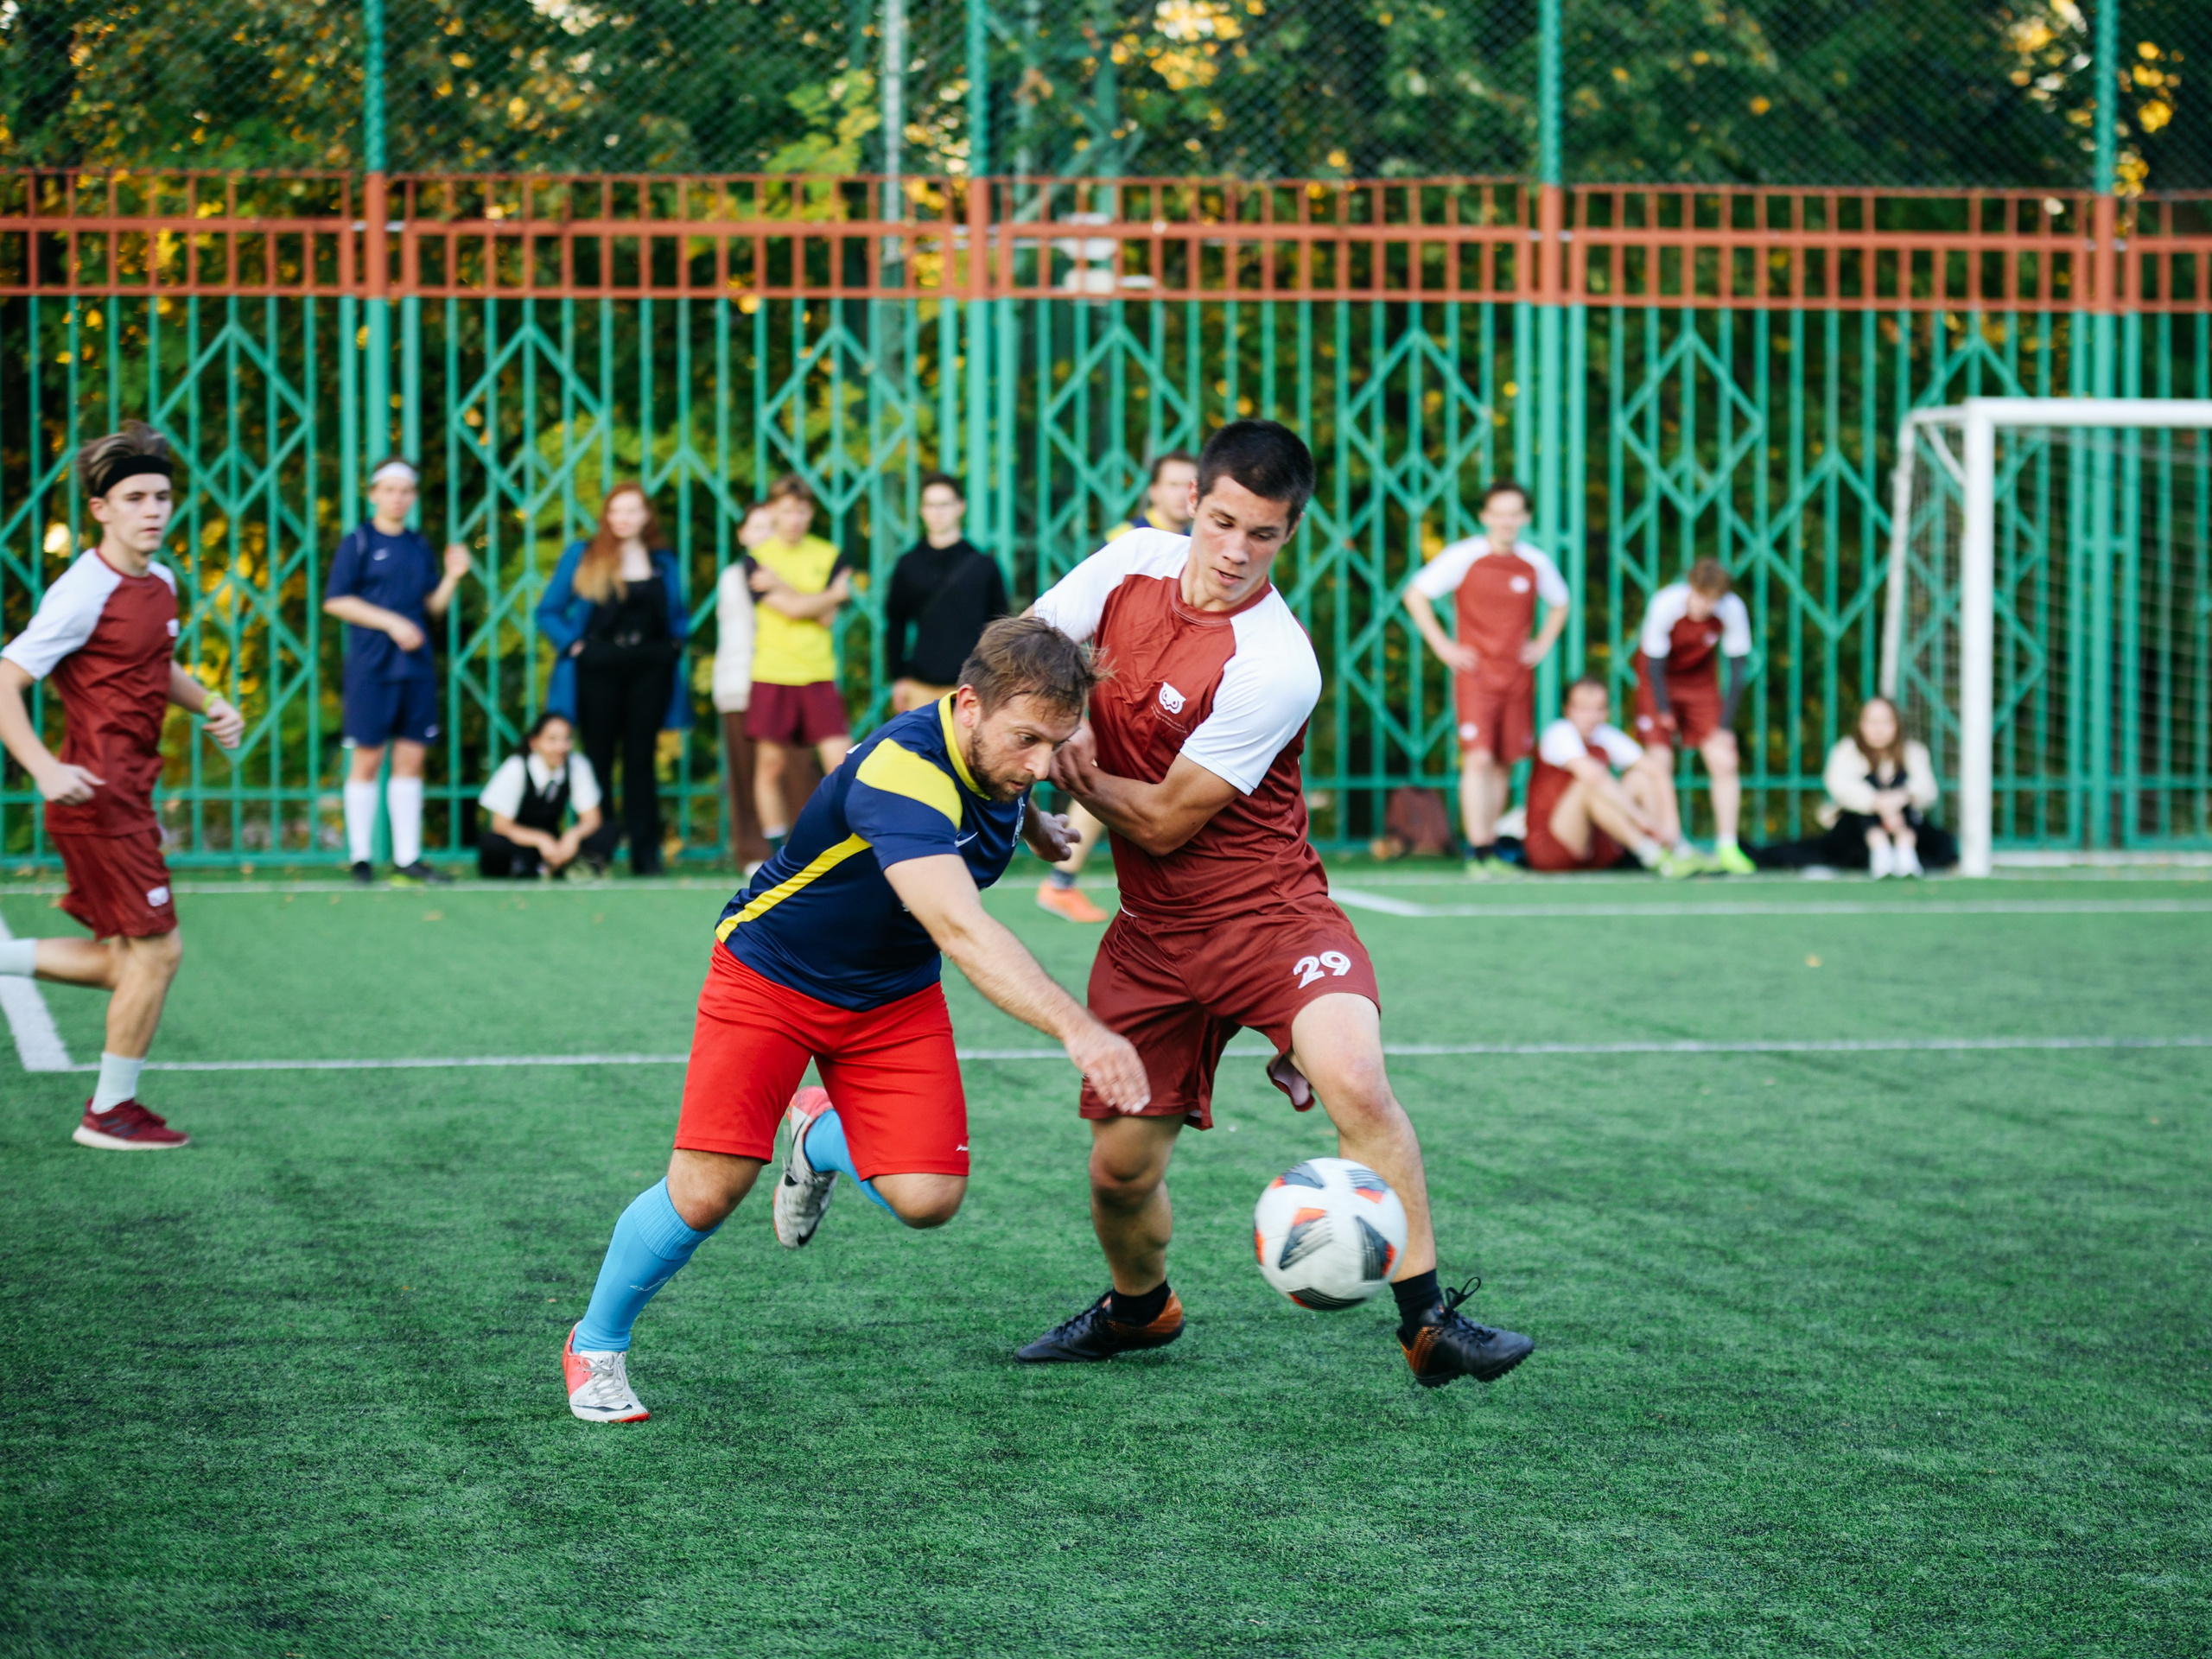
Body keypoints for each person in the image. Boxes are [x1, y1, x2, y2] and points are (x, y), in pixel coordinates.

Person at [1021, 418, 1533, 1389]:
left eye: (1262, 534)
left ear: (1290, 532)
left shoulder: (1278, 660)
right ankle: (1140, 1311)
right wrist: (1036, 739)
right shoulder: (1130, 563)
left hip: (1273, 916)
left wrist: (1069, 772)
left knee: (1358, 1082)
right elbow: (1026, 662)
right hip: (1151, 938)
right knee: (1119, 1173)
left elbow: (1164, 821)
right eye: (1221, 522)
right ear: (1192, 501)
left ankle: (1428, 1324)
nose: (1234, 551)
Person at [561, 617, 1151, 1423]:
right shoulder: (903, 772)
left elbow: (997, 794)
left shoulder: (1001, 764)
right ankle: (596, 1344)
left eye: (1058, 743)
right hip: (771, 976)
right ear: (968, 705)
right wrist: (1078, 1029)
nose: (1043, 766)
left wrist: (1036, 823)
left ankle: (817, 1139)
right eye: (1027, 742)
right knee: (707, 1192)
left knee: (928, 1197)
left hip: (890, 997)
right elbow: (960, 929)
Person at [0, 423, 246, 1149]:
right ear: (101, 509)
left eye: (162, 496)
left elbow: (152, 664)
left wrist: (210, 702)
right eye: (135, 497)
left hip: (129, 794)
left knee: (126, 961)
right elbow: (6, 679)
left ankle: (112, 1107)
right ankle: (109, 1113)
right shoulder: (83, 591)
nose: (153, 510)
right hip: (96, 799)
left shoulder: (159, 583)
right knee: (159, 954)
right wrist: (44, 767)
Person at [1038, 454, 1196, 925]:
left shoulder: (1202, 546)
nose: (1182, 494)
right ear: (1153, 491)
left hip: (1176, 684)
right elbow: (1089, 605)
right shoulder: (1128, 540)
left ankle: (1067, 880)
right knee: (1110, 773)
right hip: (1125, 681)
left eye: (1190, 485)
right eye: (1172, 484)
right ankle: (1060, 879)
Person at [1400, 480, 1571, 875]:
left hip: (1517, 678)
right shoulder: (1464, 556)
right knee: (1477, 758)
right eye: (1499, 513)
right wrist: (1444, 646)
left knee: (1503, 765)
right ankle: (1476, 851)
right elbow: (1415, 594)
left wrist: (1542, 643)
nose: (1507, 521)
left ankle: (1490, 847)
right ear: (1485, 516)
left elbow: (1560, 604)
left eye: (1514, 513)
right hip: (1476, 676)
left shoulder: (1535, 562)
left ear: (1525, 518)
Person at [323, 458, 471, 886]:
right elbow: (336, 600)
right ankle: (361, 857)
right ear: (374, 494)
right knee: (368, 757)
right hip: (371, 666)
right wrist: (390, 623)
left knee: (411, 758)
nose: (397, 498)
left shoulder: (418, 545)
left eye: (405, 491)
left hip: (416, 667)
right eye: (389, 490)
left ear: (413, 496)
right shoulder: (358, 542)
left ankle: (409, 858)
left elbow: (432, 607)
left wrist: (453, 577)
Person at [537, 484, 690, 876]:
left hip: (650, 668)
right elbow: (548, 611)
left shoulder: (662, 560)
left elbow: (678, 613)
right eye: (616, 511)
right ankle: (598, 851)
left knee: (641, 760)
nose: (623, 518)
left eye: (632, 510)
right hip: (598, 668)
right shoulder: (585, 555)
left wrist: (675, 643)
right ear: (606, 515)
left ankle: (646, 855)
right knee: (598, 759)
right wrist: (574, 646)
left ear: (646, 515)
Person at [746, 474, 855, 860]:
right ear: (772, 511)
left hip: (817, 672)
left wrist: (781, 586)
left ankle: (843, 847)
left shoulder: (829, 555)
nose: (794, 519)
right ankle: (775, 851)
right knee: (770, 766)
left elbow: (824, 618)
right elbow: (794, 610)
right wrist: (827, 596)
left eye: (802, 511)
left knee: (841, 765)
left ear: (811, 513)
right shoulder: (756, 558)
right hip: (772, 672)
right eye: (787, 510)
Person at [1631, 556, 1754, 874]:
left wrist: (1724, 727)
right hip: (1659, 681)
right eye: (1701, 597)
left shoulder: (1732, 610)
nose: (1705, 606)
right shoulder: (1665, 604)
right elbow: (1653, 664)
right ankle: (1671, 845)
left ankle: (1727, 846)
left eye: (1712, 600)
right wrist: (1663, 710)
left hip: (1699, 682)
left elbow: (1737, 669)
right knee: (1660, 762)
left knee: (1724, 760)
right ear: (1691, 588)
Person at [1752, 697, 1955, 875]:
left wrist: (1898, 799)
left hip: (1903, 824)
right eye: (1872, 722)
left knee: (1902, 787)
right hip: (1855, 833)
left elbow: (1927, 790)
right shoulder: (1846, 750)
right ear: (1861, 725)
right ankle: (1880, 847)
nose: (1878, 729)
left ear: (1897, 725)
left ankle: (1903, 847)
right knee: (1869, 788)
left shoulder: (1913, 752)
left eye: (1885, 722)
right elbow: (1840, 787)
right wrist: (1877, 803)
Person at [1524, 678, 1693, 876]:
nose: (1592, 717)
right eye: (1583, 709)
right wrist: (1641, 819)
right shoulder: (1559, 733)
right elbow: (1594, 777)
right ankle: (1651, 854)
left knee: (1640, 778)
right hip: (1554, 849)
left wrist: (1671, 826)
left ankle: (1673, 847)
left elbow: (1657, 771)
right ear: (1568, 710)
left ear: (1607, 711)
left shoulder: (1604, 735)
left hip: (1596, 847)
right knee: (1588, 783)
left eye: (1599, 709)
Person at [883, 473, 1008, 715]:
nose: (937, 512)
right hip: (919, 684)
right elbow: (896, 623)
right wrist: (898, 677)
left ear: (961, 507)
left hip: (971, 687)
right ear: (922, 510)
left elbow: (999, 626)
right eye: (930, 505)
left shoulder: (983, 566)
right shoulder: (908, 564)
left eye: (944, 504)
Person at [712, 502, 775, 870]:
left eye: (771, 526)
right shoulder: (733, 577)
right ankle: (752, 851)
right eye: (757, 527)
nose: (765, 534)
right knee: (745, 770)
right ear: (742, 534)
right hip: (742, 684)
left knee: (791, 770)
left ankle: (799, 849)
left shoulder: (792, 573)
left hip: (786, 683)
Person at [476, 712, 603, 878]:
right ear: (534, 742)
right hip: (522, 842)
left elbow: (592, 818)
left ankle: (565, 864)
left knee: (608, 832)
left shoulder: (577, 765)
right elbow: (500, 825)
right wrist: (540, 840)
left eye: (566, 739)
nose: (560, 747)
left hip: (556, 842)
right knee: (492, 843)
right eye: (552, 740)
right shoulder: (516, 767)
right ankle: (527, 868)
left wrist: (573, 837)